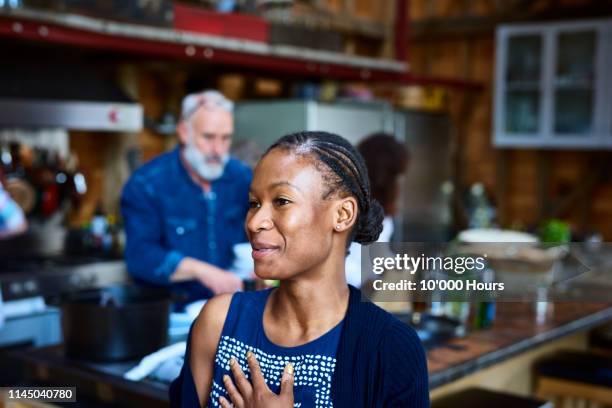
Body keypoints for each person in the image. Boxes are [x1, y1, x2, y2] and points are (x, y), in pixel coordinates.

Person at [170, 131, 429, 407]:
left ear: (342, 215)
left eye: (281, 201)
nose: (255, 221)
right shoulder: (219, 323)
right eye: (254, 203)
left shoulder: (391, 349)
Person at [121, 90, 251, 304]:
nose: (218, 150)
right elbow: (140, 256)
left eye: (226, 138)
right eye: (208, 137)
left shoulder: (242, 178)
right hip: (172, 313)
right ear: (183, 132)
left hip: (231, 307)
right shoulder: (147, 184)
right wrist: (203, 272)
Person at [344, 133, 410, 287]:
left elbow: (378, 251)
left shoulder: (382, 208)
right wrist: (367, 282)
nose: (400, 183)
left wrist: (396, 268)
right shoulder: (348, 206)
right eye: (396, 176)